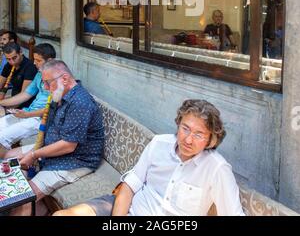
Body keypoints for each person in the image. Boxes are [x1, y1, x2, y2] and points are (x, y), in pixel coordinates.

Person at [53, 99, 244, 217]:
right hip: (127, 207)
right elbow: (130, 185)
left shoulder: (217, 168)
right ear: (178, 125)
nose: (188, 139)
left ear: (211, 139)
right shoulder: (159, 144)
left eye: (199, 134)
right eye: (185, 128)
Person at [9, 60, 104, 216]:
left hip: (75, 160)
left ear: (65, 79)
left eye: (47, 83)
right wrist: (35, 150)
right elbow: (48, 129)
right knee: (10, 164)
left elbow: (68, 146)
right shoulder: (60, 94)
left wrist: (34, 154)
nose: (45, 88)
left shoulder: (80, 102)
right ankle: (41, 209)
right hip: (51, 149)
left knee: (22, 199)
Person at [0, 43, 56, 158]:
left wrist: (28, 114)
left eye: (38, 60)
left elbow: (52, 109)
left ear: (50, 60)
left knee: (1, 137)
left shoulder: (58, 78)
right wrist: (1, 102)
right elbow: (25, 94)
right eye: (34, 59)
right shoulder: (39, 75)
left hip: (39, 119)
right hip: (27, 112)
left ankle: (7, 168)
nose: (34, 63)